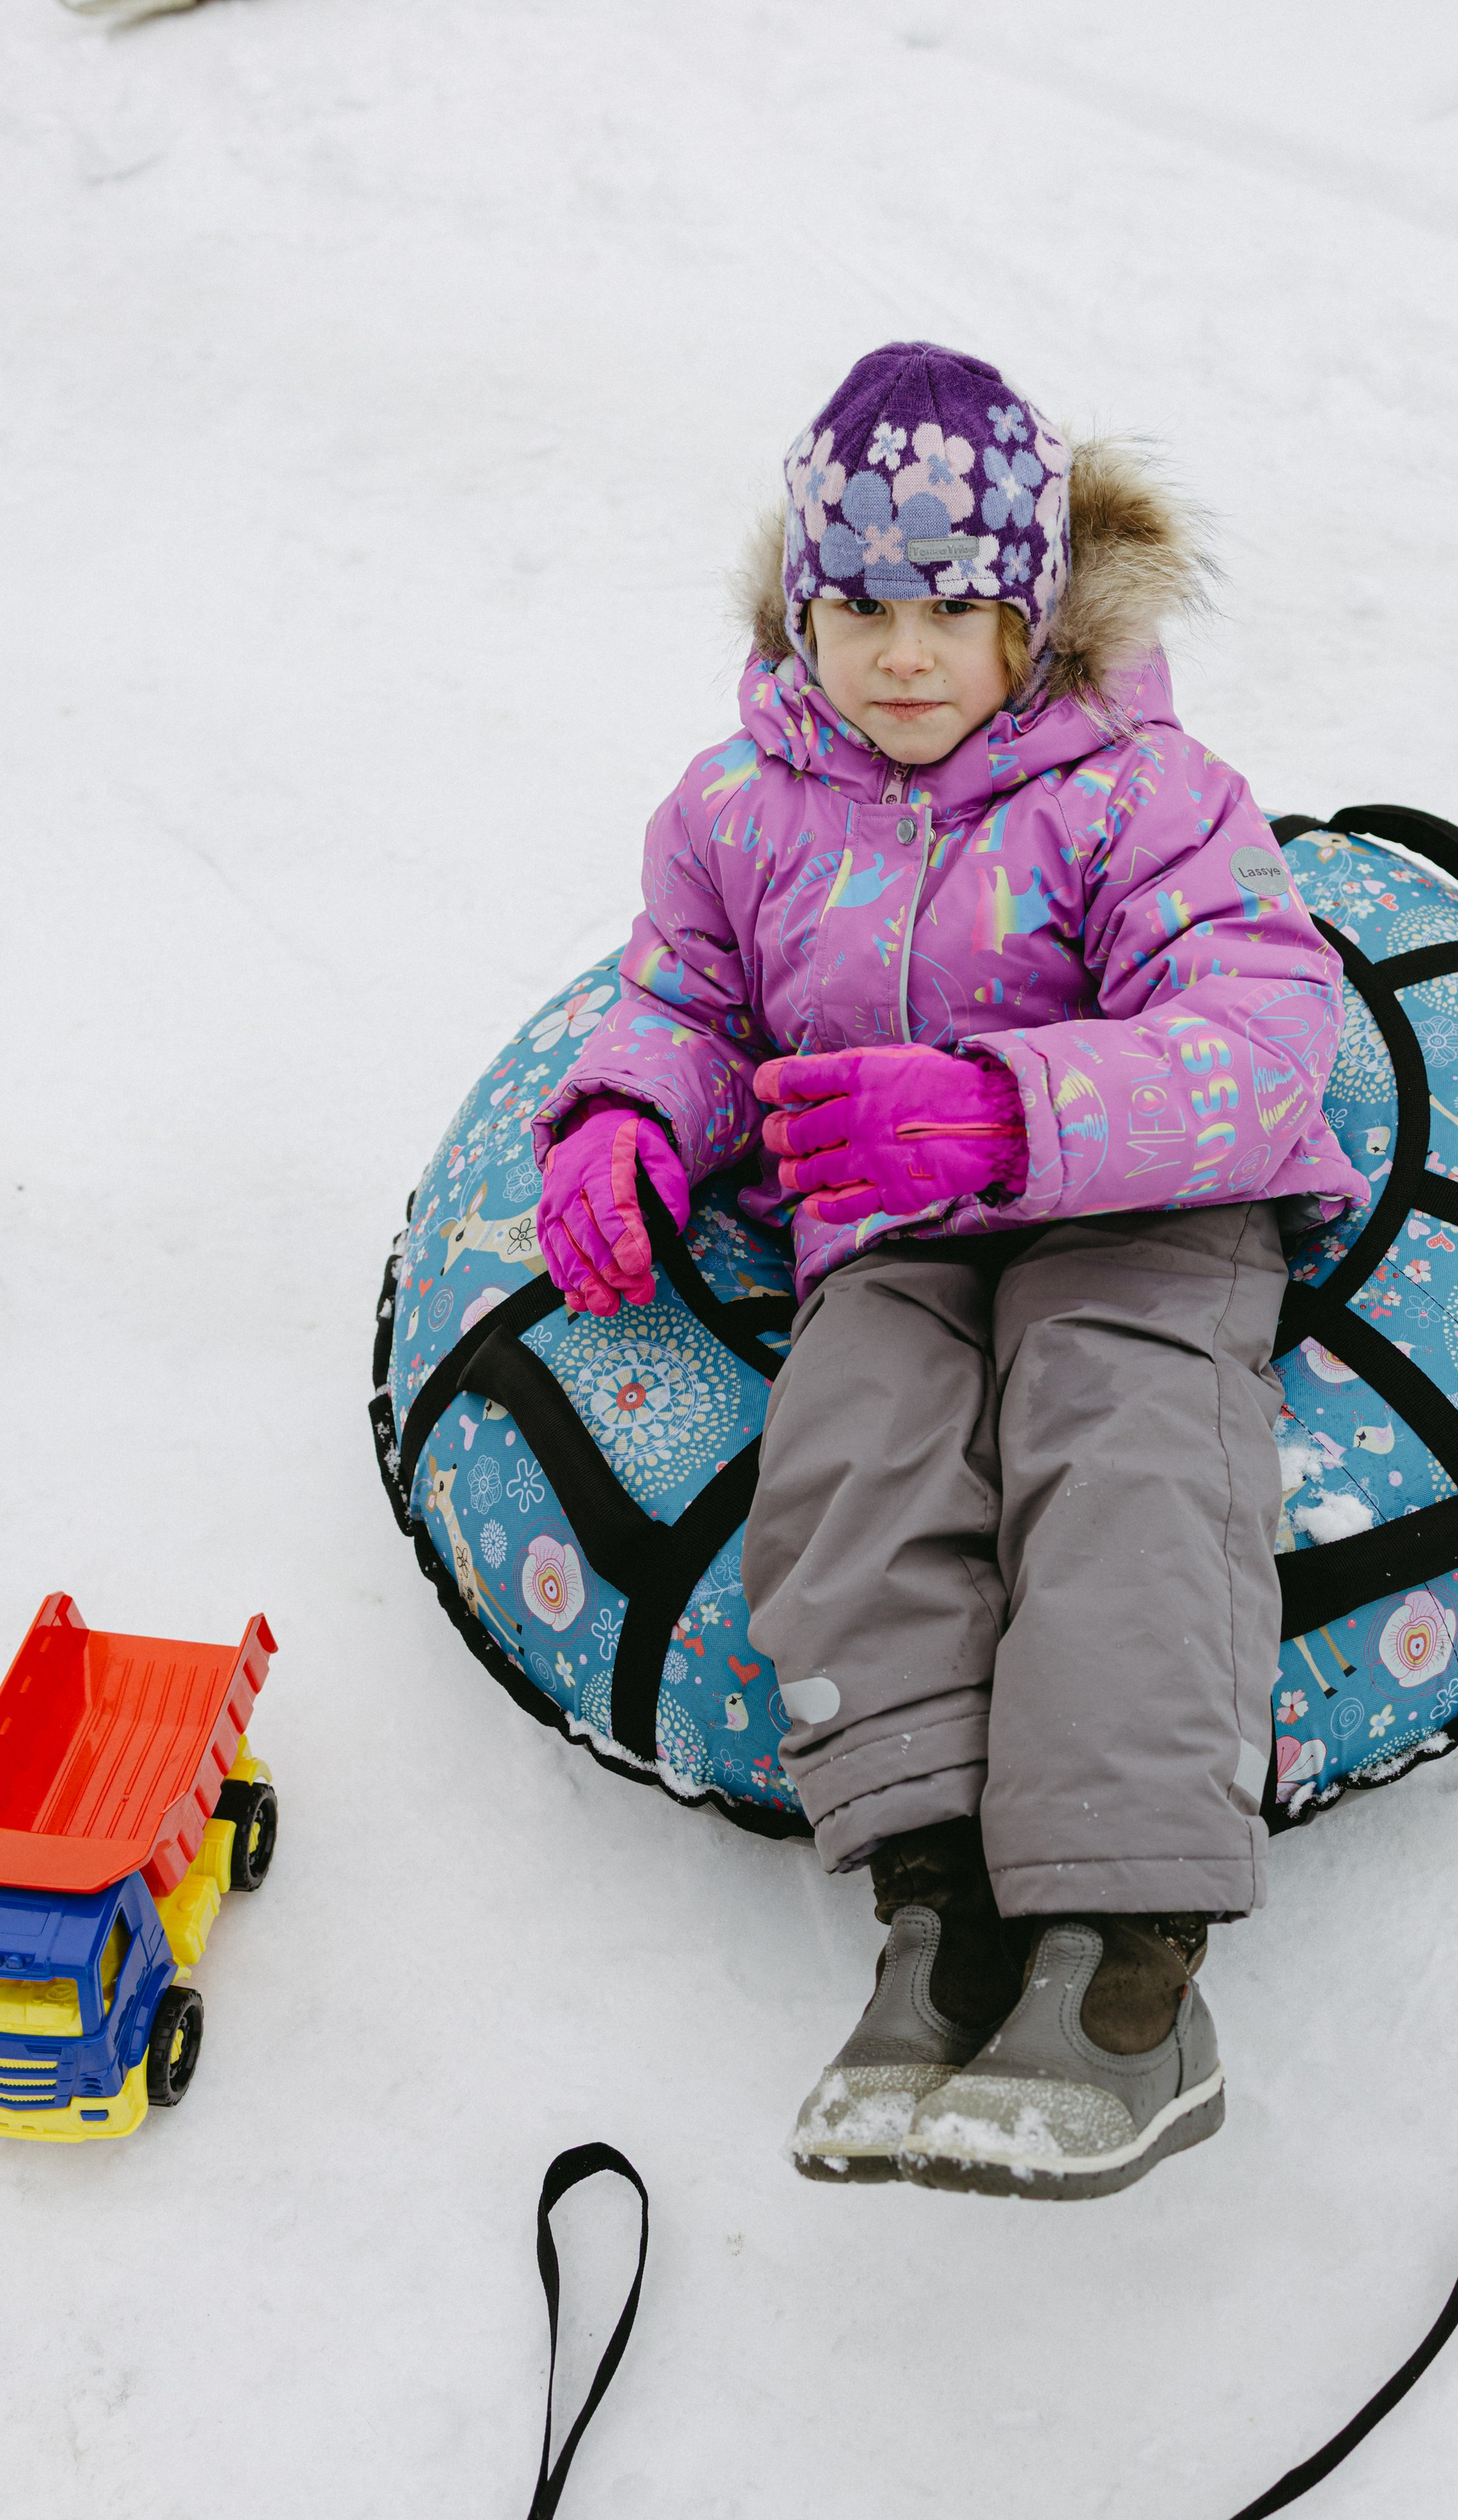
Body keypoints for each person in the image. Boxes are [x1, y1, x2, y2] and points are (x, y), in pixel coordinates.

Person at [529, 342, 1366, 2200]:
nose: (903, 655)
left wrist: (1006, 1109)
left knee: (1117, 1425)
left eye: (953, 607)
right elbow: (685, 1000)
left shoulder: (1142, 789)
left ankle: (1127, 1965)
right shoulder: (736, 809)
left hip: (1146, 1204)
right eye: (859, 607)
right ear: (799, 607)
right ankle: (943, 1923)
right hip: (887, 1224)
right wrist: (632, 1120)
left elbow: (1262, 1033)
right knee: (856, 1440)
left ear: (1033, 612)